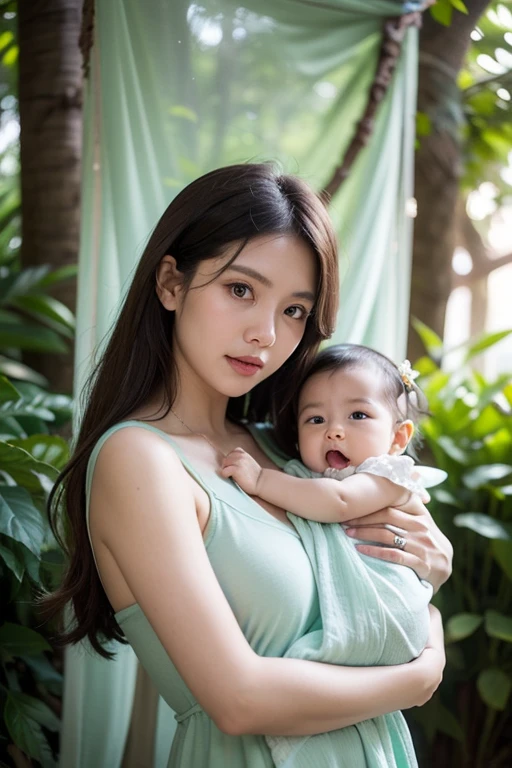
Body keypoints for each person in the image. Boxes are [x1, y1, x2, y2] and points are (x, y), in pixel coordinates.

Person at [44, 163, 452, 768]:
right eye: (241, 289)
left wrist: (427, 564)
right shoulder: (140, 460)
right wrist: (424, 671)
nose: (266, 333)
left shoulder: (285, 452)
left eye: (294, 311)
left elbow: (365, 588)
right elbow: (237, 699)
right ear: (171, 284)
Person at [221, 343, 446, 766]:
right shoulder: (306, 474)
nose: (334, 431)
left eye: (357, 415)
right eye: (316, 419)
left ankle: (312, 674)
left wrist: (259, 480)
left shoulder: (386, 475)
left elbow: (338, 502)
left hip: (389, 609)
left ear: (398, 438)